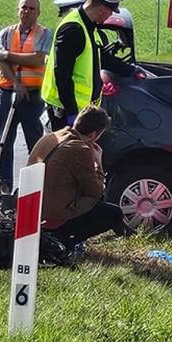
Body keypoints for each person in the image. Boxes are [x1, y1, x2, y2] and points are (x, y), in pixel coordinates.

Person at [27, 106, 127, 254]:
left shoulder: (51, 137)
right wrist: (98, 164)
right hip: (52, 218)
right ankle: (65, 240)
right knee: (114, 213)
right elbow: (96, 190)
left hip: (32, 210)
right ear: (93, 135)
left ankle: (123, 231)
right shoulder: (80, 149)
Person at [41, 0, 137, 131]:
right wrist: (72, 114)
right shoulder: (73, 29)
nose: (110, 16)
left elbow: (101, 58)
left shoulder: (89, 26)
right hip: (66, 110)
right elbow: (62, 75)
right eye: (111, 12)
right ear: (101, 10)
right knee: (68, 154)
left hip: (82, 110)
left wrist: (130, 70)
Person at [0, 0, 53, 195]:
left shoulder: (44, 33)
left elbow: (39, 59)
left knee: (35, 142)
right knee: (4, 140)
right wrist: (16, 83)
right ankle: (4, 184)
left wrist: (8, 55)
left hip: (33, 96)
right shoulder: (7, 33)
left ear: (38, 12)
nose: (27, 11)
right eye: (24, 8)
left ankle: (34, 186)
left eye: (31, 8)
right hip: (8, 92)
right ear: (18, 10)